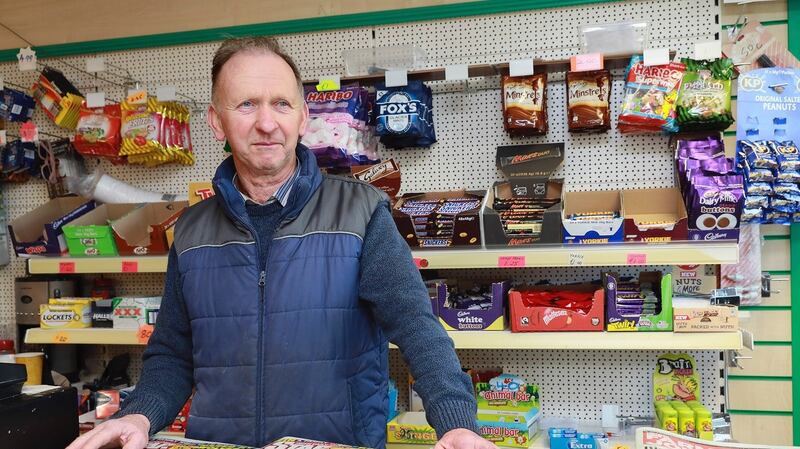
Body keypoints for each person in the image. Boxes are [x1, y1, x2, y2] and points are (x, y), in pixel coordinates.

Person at [67, 37, 494, 449]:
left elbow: (416, 327)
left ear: (303, 118)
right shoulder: (193, 231)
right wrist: (137, 418)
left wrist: (455, 422)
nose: (267, 123)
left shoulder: (360, 213)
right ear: (217, 120)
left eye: (281, 104)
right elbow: (173, 355)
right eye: (247, 104)